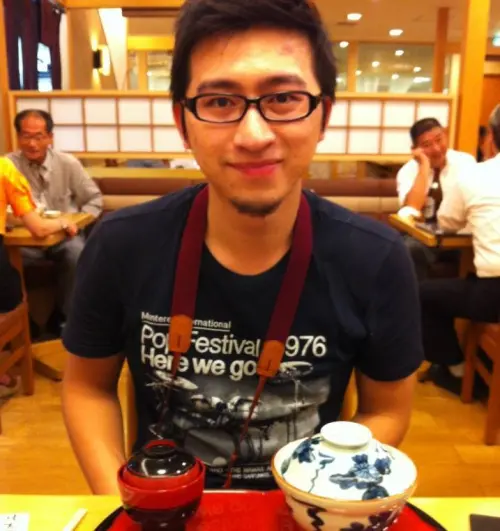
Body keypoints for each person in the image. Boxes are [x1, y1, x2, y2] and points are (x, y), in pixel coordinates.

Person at [61, 0, 423, 495]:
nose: (254, 135)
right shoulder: (121, 245)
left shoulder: (376, 258)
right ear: (182, 122)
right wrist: (124, 506)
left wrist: (320, 497)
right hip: (161, 512)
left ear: (323, 116)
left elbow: (387, 410)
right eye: (219, 102)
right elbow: (87, 387)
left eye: (284, 98)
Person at [420, 105, 500, 394]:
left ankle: (456, 369)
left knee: (422, 294)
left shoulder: (475, 175)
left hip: (494, 293)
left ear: (491, 137)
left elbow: (447, 221)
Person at [7, 109, 103, 330]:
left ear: (50, 137)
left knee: (75, 253)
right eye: (26, 136)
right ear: (18, 137)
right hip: (26, 242)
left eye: (39, 136)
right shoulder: (8, 166)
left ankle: (65, 317)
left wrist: (79, 221)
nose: (32, 144)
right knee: (7, 259)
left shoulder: (67, 163)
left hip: (65, 237)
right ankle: (22, 322)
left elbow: (94, 199)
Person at [0, 157, 77, 398]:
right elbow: (39, 228)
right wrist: (63, 222)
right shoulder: (5, 169)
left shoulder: (67, 163)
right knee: (12, 293)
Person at [396, 118, 476, 280]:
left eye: (439, 140)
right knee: (409, 248)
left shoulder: (465, 163)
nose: (437, 149)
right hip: (423, 238)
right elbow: (411, 209)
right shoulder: (408, 171)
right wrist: (424, 166)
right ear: (415, 150)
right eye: (427, 145)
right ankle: (416, 295)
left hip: (460, 237)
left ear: (446, 135)